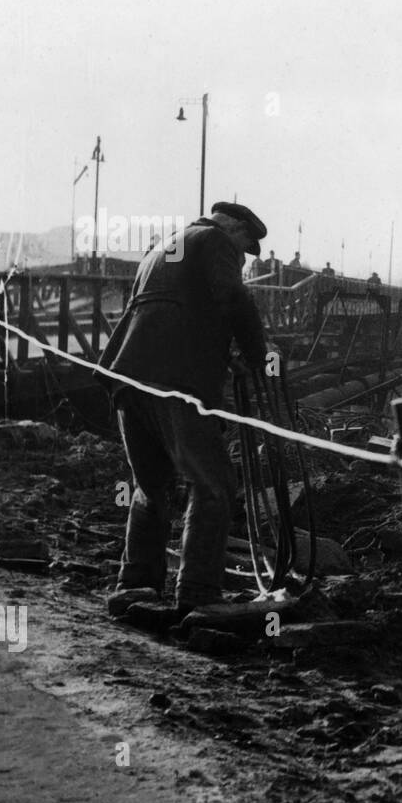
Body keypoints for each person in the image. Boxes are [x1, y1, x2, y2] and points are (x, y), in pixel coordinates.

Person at [99, 202, 269, 614]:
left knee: (150, 485)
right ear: (233, 226)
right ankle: (197, 594)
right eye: (246, 247)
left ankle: (137, 584)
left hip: (129, 376)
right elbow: (232, 298)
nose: (243, 258)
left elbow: (173, 310)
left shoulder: (162, 247)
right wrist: (257, 356)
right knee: (213, 485)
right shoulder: (215, 240)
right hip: (175, 382)